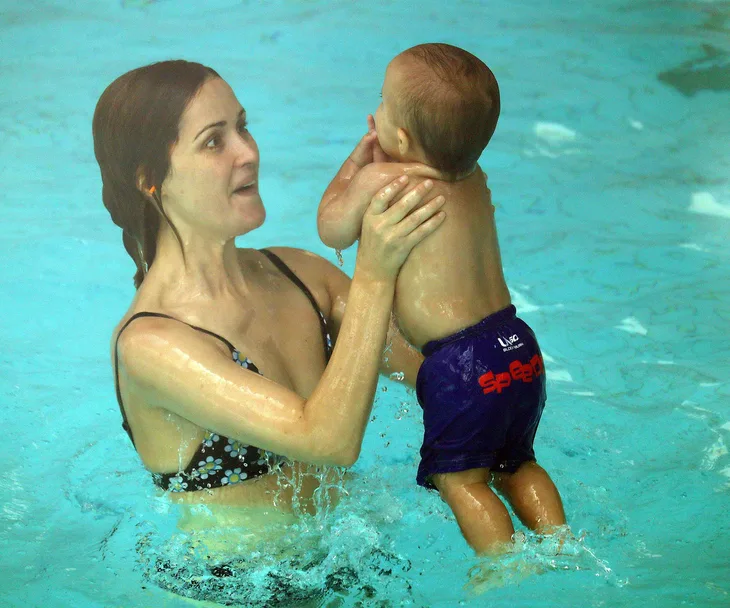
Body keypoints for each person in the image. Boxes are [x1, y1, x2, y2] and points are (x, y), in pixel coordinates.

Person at [93, 60, 445, 603]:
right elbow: (327, 440)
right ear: (150, 180)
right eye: (214, 142)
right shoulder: (152, 344)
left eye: (243, 126)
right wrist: (374, 273)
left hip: (358, 563)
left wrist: (420, 182)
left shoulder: (301, 275)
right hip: (237, 591)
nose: (248, 152)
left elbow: (435, 373)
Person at [317, 43, 567, 555]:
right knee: (518, 464)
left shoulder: (384, 178)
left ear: (401, 137)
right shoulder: (476, 178)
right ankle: (560, 544)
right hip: (518, 346)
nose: (376, 110)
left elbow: (331, 229)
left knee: (463, 481)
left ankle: (504, 564)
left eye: (383, 103)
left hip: (462, 362)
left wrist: (357, 160)